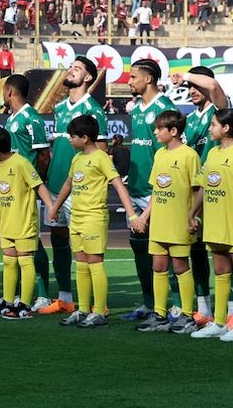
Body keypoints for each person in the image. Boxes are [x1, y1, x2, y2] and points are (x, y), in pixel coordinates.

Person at [48, 115, 140, 328]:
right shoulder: (77, 158)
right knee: (81, 264)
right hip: (77, 217)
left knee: (95, 263)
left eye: (72, 136)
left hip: (94, 217)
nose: (69, 139)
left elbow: (118, 184)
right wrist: (55, 207)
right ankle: (82, 309)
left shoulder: (101, 158)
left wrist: (132, 215)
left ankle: (99, 312)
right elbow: (68, 184)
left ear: (85, 138)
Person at [39, 56, 106, 316]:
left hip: (79, 191)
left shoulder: (94, 110)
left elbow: (101, 151)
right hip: (57, 185)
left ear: (88, 77)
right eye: (70, 67)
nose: (70, 71)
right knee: (58, 239)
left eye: (76, 69)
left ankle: (97, 304)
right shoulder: (59, 108)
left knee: (85, 249)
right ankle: (65, 297)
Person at [189, 109, 233, 342]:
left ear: (226, 128)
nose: (210, 129)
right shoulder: (212, 154)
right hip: (213, 222)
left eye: (213, 125)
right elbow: (203, 187)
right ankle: (219, 323)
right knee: (220, 270)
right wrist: (192, 213)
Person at [133, 111, 201, 334]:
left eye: (159, 128)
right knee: (158, 266)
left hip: (179, 222)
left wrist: (194, 216)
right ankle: (160, 314)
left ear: (173, 131)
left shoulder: (189, 155)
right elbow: (156, 190)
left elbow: (198, 191)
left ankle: (187, 315)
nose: (155, 132)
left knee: (180, 267)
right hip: (159, 223)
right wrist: (144, 217)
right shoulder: (159, 154)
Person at [171, 66, 228, 325]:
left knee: (224, 252)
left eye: (196, 86)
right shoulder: (190, 120)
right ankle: (204, 308)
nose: (192, 90)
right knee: (196, 250)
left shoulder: (219, 112)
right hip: (194, 193)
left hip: (217, 192)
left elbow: (213, 86)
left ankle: (232, 312)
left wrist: (185, 76)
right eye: (189, 87)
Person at [124, 58, 178, 321]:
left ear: (148, 79)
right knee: (139, 248)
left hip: (156, 190)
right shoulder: (136, 109)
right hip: (135, 188)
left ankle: (176, 305)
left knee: (166, 250)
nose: (129, 82)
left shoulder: (165, 108)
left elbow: (171, 153)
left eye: (133, 77)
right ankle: (149, 303)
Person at [0, 127, 54, 320]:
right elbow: (0, 194)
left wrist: (51, 208)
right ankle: (7, 302)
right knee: (8, 261)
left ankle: (24, 305)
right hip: (7, 222)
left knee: (25, 261)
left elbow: (39, 186)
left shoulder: (22, 163)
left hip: (24, 222)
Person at [2, 74, 53, 309]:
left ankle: (43, 294)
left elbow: (43, 155)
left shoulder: (31, 118)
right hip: (11, 190)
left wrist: (36, 182)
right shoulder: (11, 119)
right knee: (16, 243)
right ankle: (16, 294)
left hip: (28, 190)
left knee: (33, 241)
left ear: (9, 91)